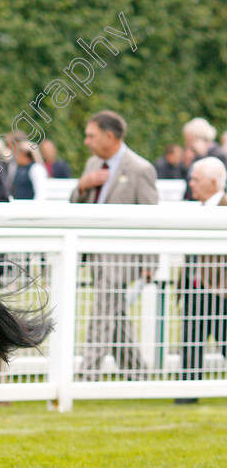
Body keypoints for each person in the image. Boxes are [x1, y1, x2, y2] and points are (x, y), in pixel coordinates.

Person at [71, 110, 158, 381]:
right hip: (94, 254)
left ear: (110, 136)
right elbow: (75, 204)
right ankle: (137, 373)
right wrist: (83, 185)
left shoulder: (140, 169)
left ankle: (87, 375)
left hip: (122, 257)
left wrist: (150, 263)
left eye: (91, 135)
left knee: (102, 311)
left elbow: (152, 219)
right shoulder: (92, 164)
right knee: (115, 312)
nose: (86, 141)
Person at [175, 157, 227, 404]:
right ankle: (187, 394)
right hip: (195, 289)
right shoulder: (196, 208)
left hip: (220, 293)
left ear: (214, 182)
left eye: (196, 179)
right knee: (190, 342)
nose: (191, 184)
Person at [183, 117, 227, 199]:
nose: (188, 144)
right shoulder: (197, 155)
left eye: (190, 140)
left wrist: (201, 156)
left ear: (199, 138)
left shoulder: (218, 155)